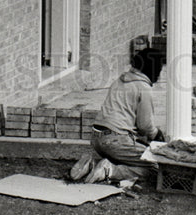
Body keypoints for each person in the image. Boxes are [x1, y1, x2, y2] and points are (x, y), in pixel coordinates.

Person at [69, 46, 166, 185]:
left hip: (97, 139)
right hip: (116, 140)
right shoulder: (144, 88)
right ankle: (109, 170)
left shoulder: (119, 81)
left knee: (124, 158)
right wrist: (157, 135)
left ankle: (92, 164)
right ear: (153, 69)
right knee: (154, 168)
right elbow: (145, 126)